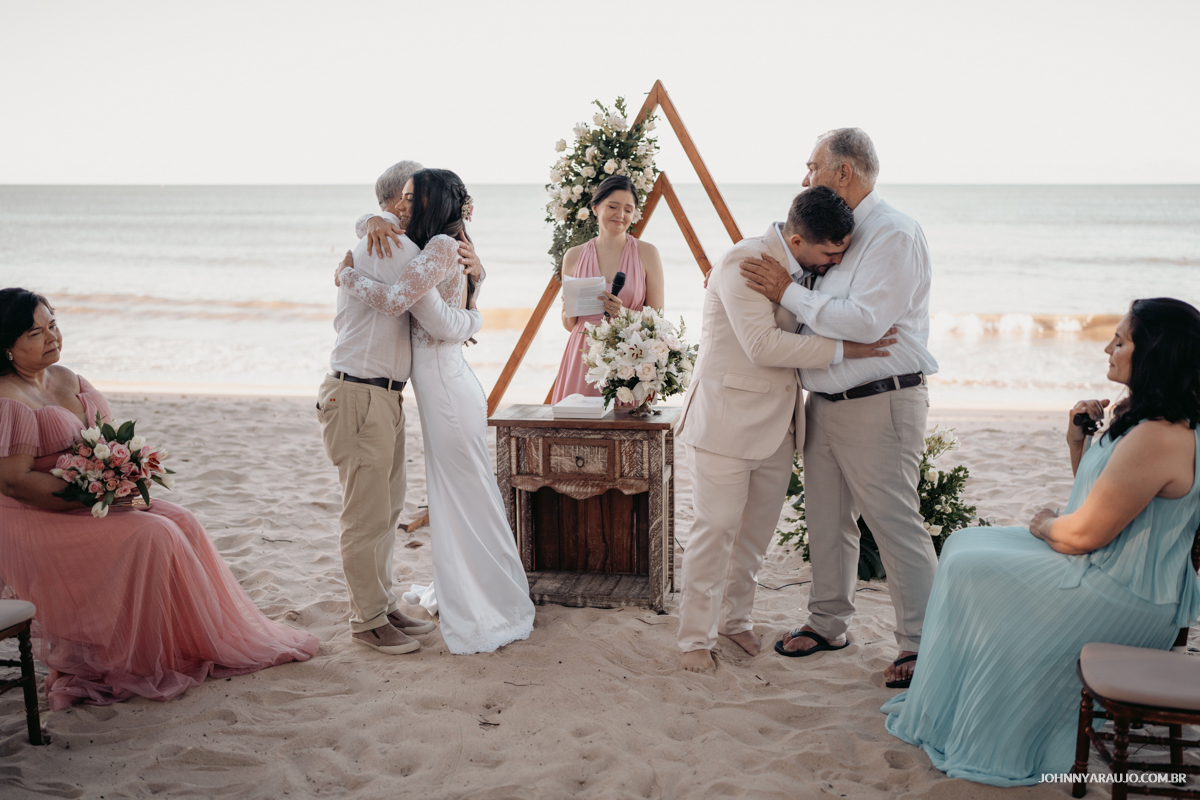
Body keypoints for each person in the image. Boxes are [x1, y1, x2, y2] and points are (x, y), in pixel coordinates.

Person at [882, 297, 1200, 786]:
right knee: (965, 545)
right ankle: (956, 704)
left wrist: (1042, 524)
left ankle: (991, 715)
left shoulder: (1161, 435)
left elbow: (1081, 533)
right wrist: (1079, 444)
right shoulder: (1142, 413)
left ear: (1154, 351)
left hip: (1125, 589)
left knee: (974, 569)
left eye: (1120, 340)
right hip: (1106, 561)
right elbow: (1101, 503)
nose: (1106, 348)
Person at [0, 288, 319, 710]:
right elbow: (15, 481)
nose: (52, 337)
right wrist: (88, 496)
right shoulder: (8, 398)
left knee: (182, 521)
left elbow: (110, 439)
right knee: (152, 534)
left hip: (93, 500)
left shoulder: (69, 378)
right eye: (35, 333)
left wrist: (121, 476)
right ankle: (127, 658)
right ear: (7, 346)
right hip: (37, 515)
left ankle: (188, 642)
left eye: (53, 325)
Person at [740, 129, 938, 687]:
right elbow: (824, 309)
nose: (805, 179)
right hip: (824, 400)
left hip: (882, 400)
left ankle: (922, 646)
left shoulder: (894, 233)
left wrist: (787, 292)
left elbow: (866, 322)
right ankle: (829, 623)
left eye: (813, 166)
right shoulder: (841, 233)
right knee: (828, 521)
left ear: (844, 172)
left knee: (895, 525)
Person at [674, 186, 899, 673]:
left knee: (753, 538)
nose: (835, 262)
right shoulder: (744, 263)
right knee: (714, 533)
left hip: (779, 426)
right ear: (797, 241)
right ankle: (695, 637)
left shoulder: (804, 270)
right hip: (725, 426)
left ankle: (735, 620)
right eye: (829, 253)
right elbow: (762, 346)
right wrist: (846, 350)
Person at [335, 168, 535, 655]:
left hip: (442, 386)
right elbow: (435, 300)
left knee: (456, 494)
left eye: (412, 199)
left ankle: (479, 597)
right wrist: (369, 223)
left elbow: (417, 309)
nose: (404, 208)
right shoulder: (424, 246)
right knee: (447, 495)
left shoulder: (439, 248)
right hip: (422, 386)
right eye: (399, 200)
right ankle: (438, 597)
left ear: (428, 203)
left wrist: (346, 276)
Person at [318, 160, 485, 656]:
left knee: (386, 509)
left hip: (383, 393)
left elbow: (433, 303)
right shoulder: (389, 242)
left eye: (420, 198)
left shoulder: (399, 243)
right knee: (365, 514)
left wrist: (471, 273)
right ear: (394, 206)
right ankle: (366, 619)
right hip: (357, 390)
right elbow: (404, 301)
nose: (416, 206)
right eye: (410, 199)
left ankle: (383, 605)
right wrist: (351, 266)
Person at [551, 175, 664, 403]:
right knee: (577, 431)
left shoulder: (648, 253)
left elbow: (658, 320)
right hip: (583, 353)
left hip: (629, 354)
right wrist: (568, 307)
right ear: (595, 207)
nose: (620, 215)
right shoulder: (573, 256)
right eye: (612, 206)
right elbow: (569, 324)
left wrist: (622, 312)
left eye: (628, 210)